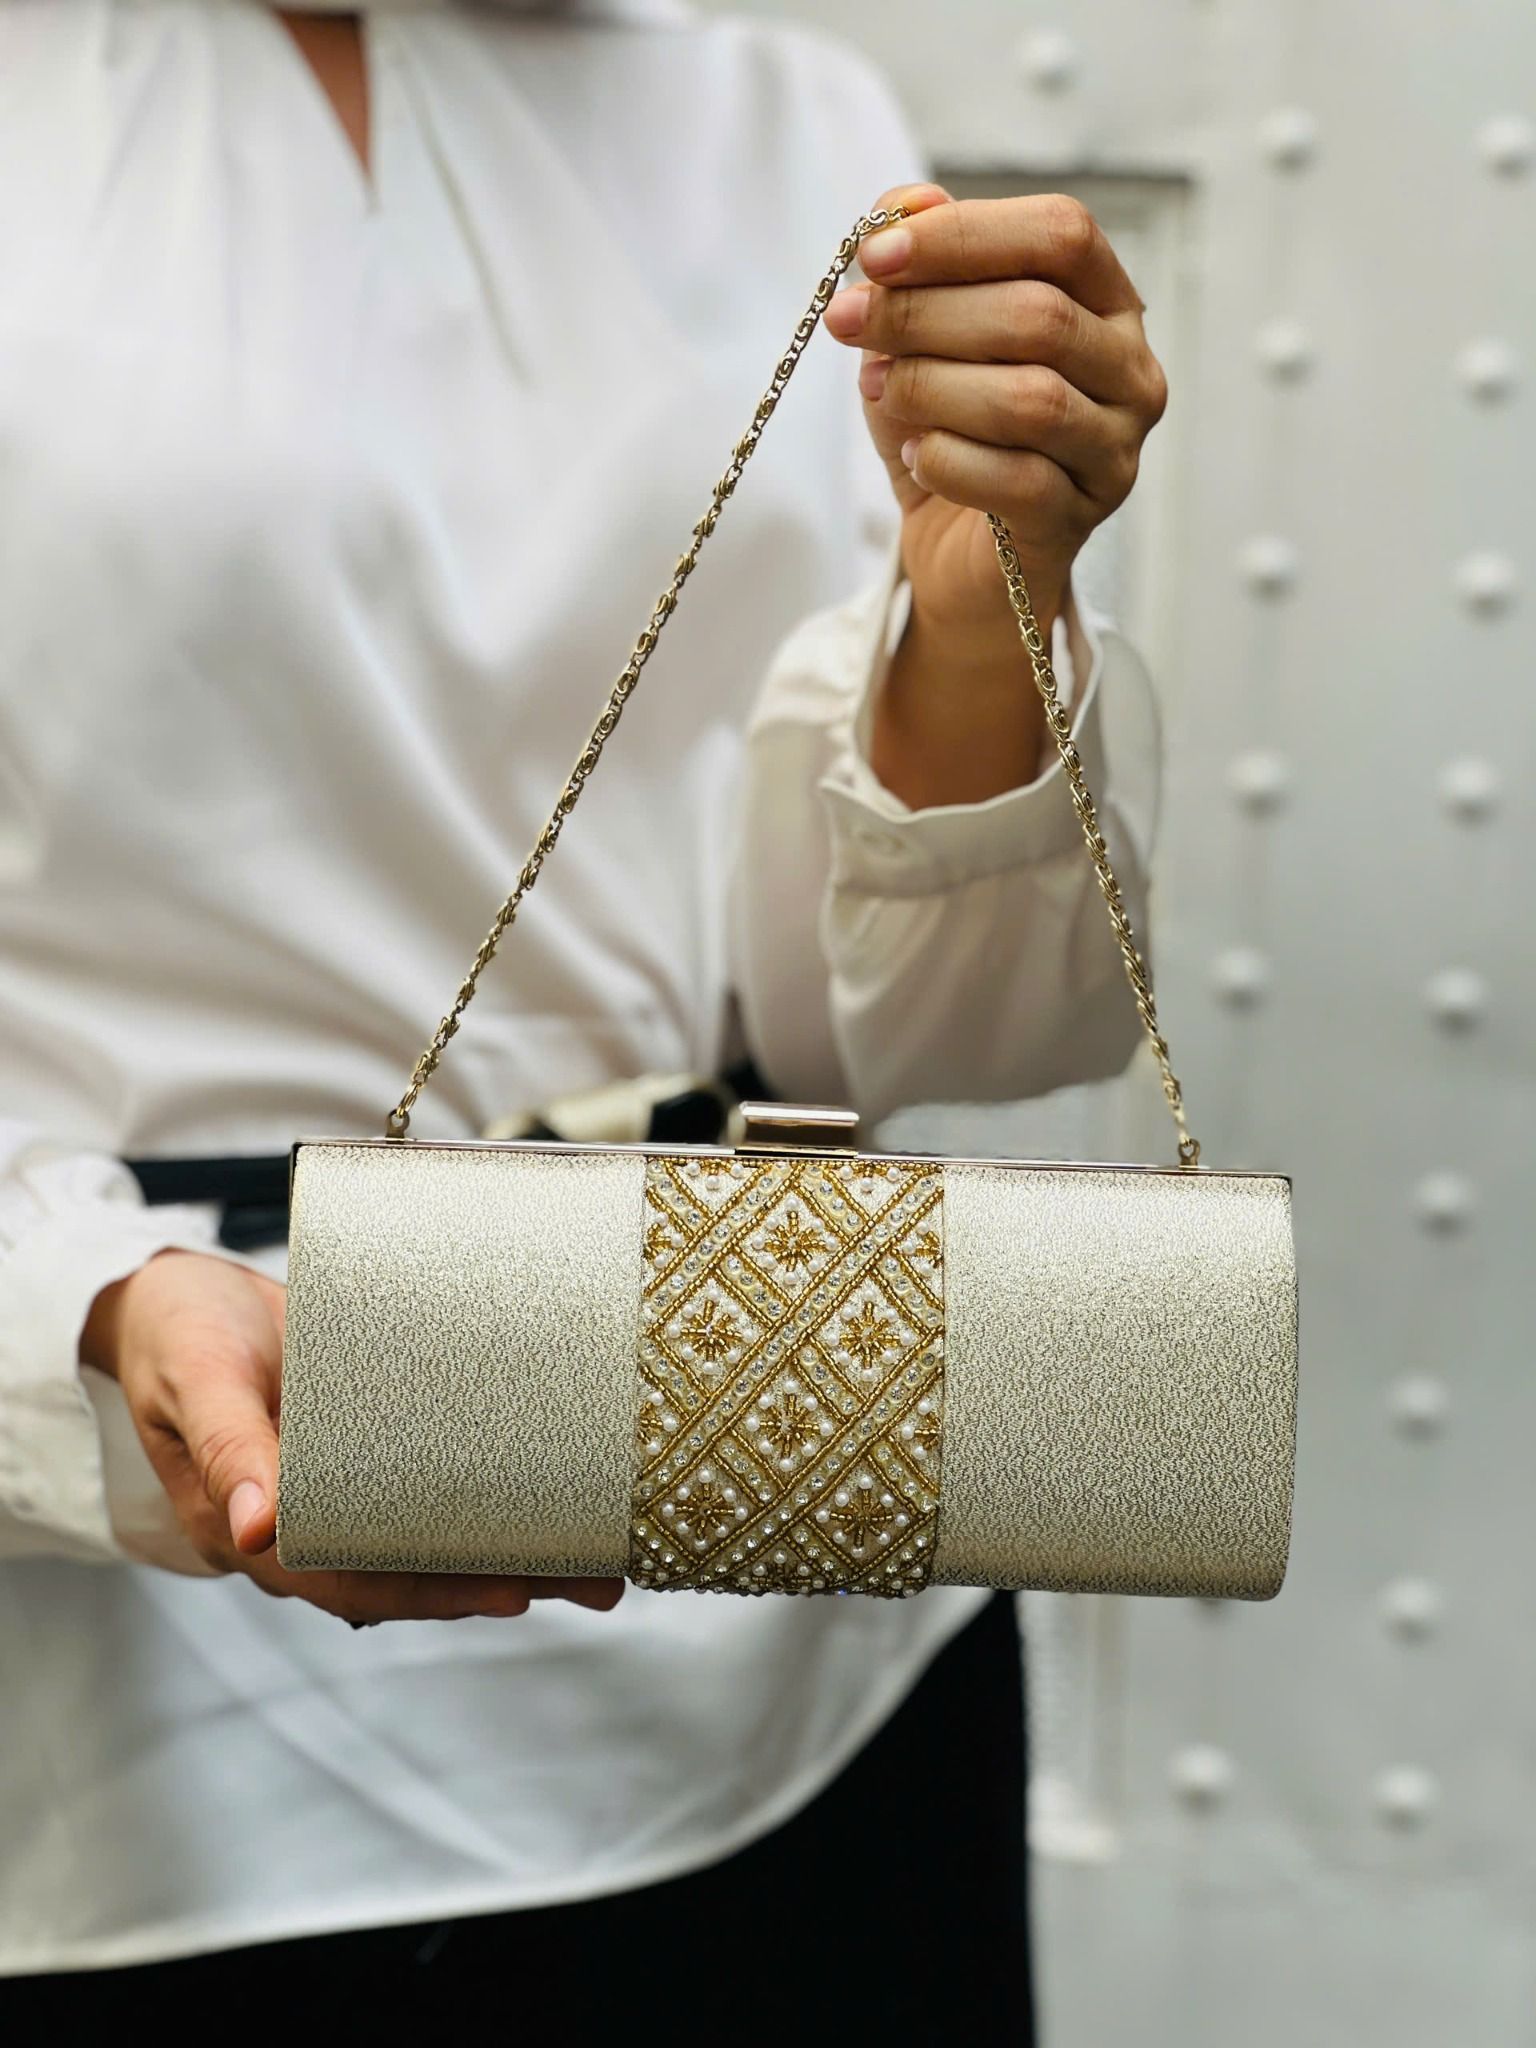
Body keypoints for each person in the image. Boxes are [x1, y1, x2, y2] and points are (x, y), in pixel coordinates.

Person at [0, 0, 1169, 2026]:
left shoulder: (788, 115)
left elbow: (919, 1037)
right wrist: (73, 1315)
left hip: (806, 1645)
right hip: (166, 1755)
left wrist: (990, 610)